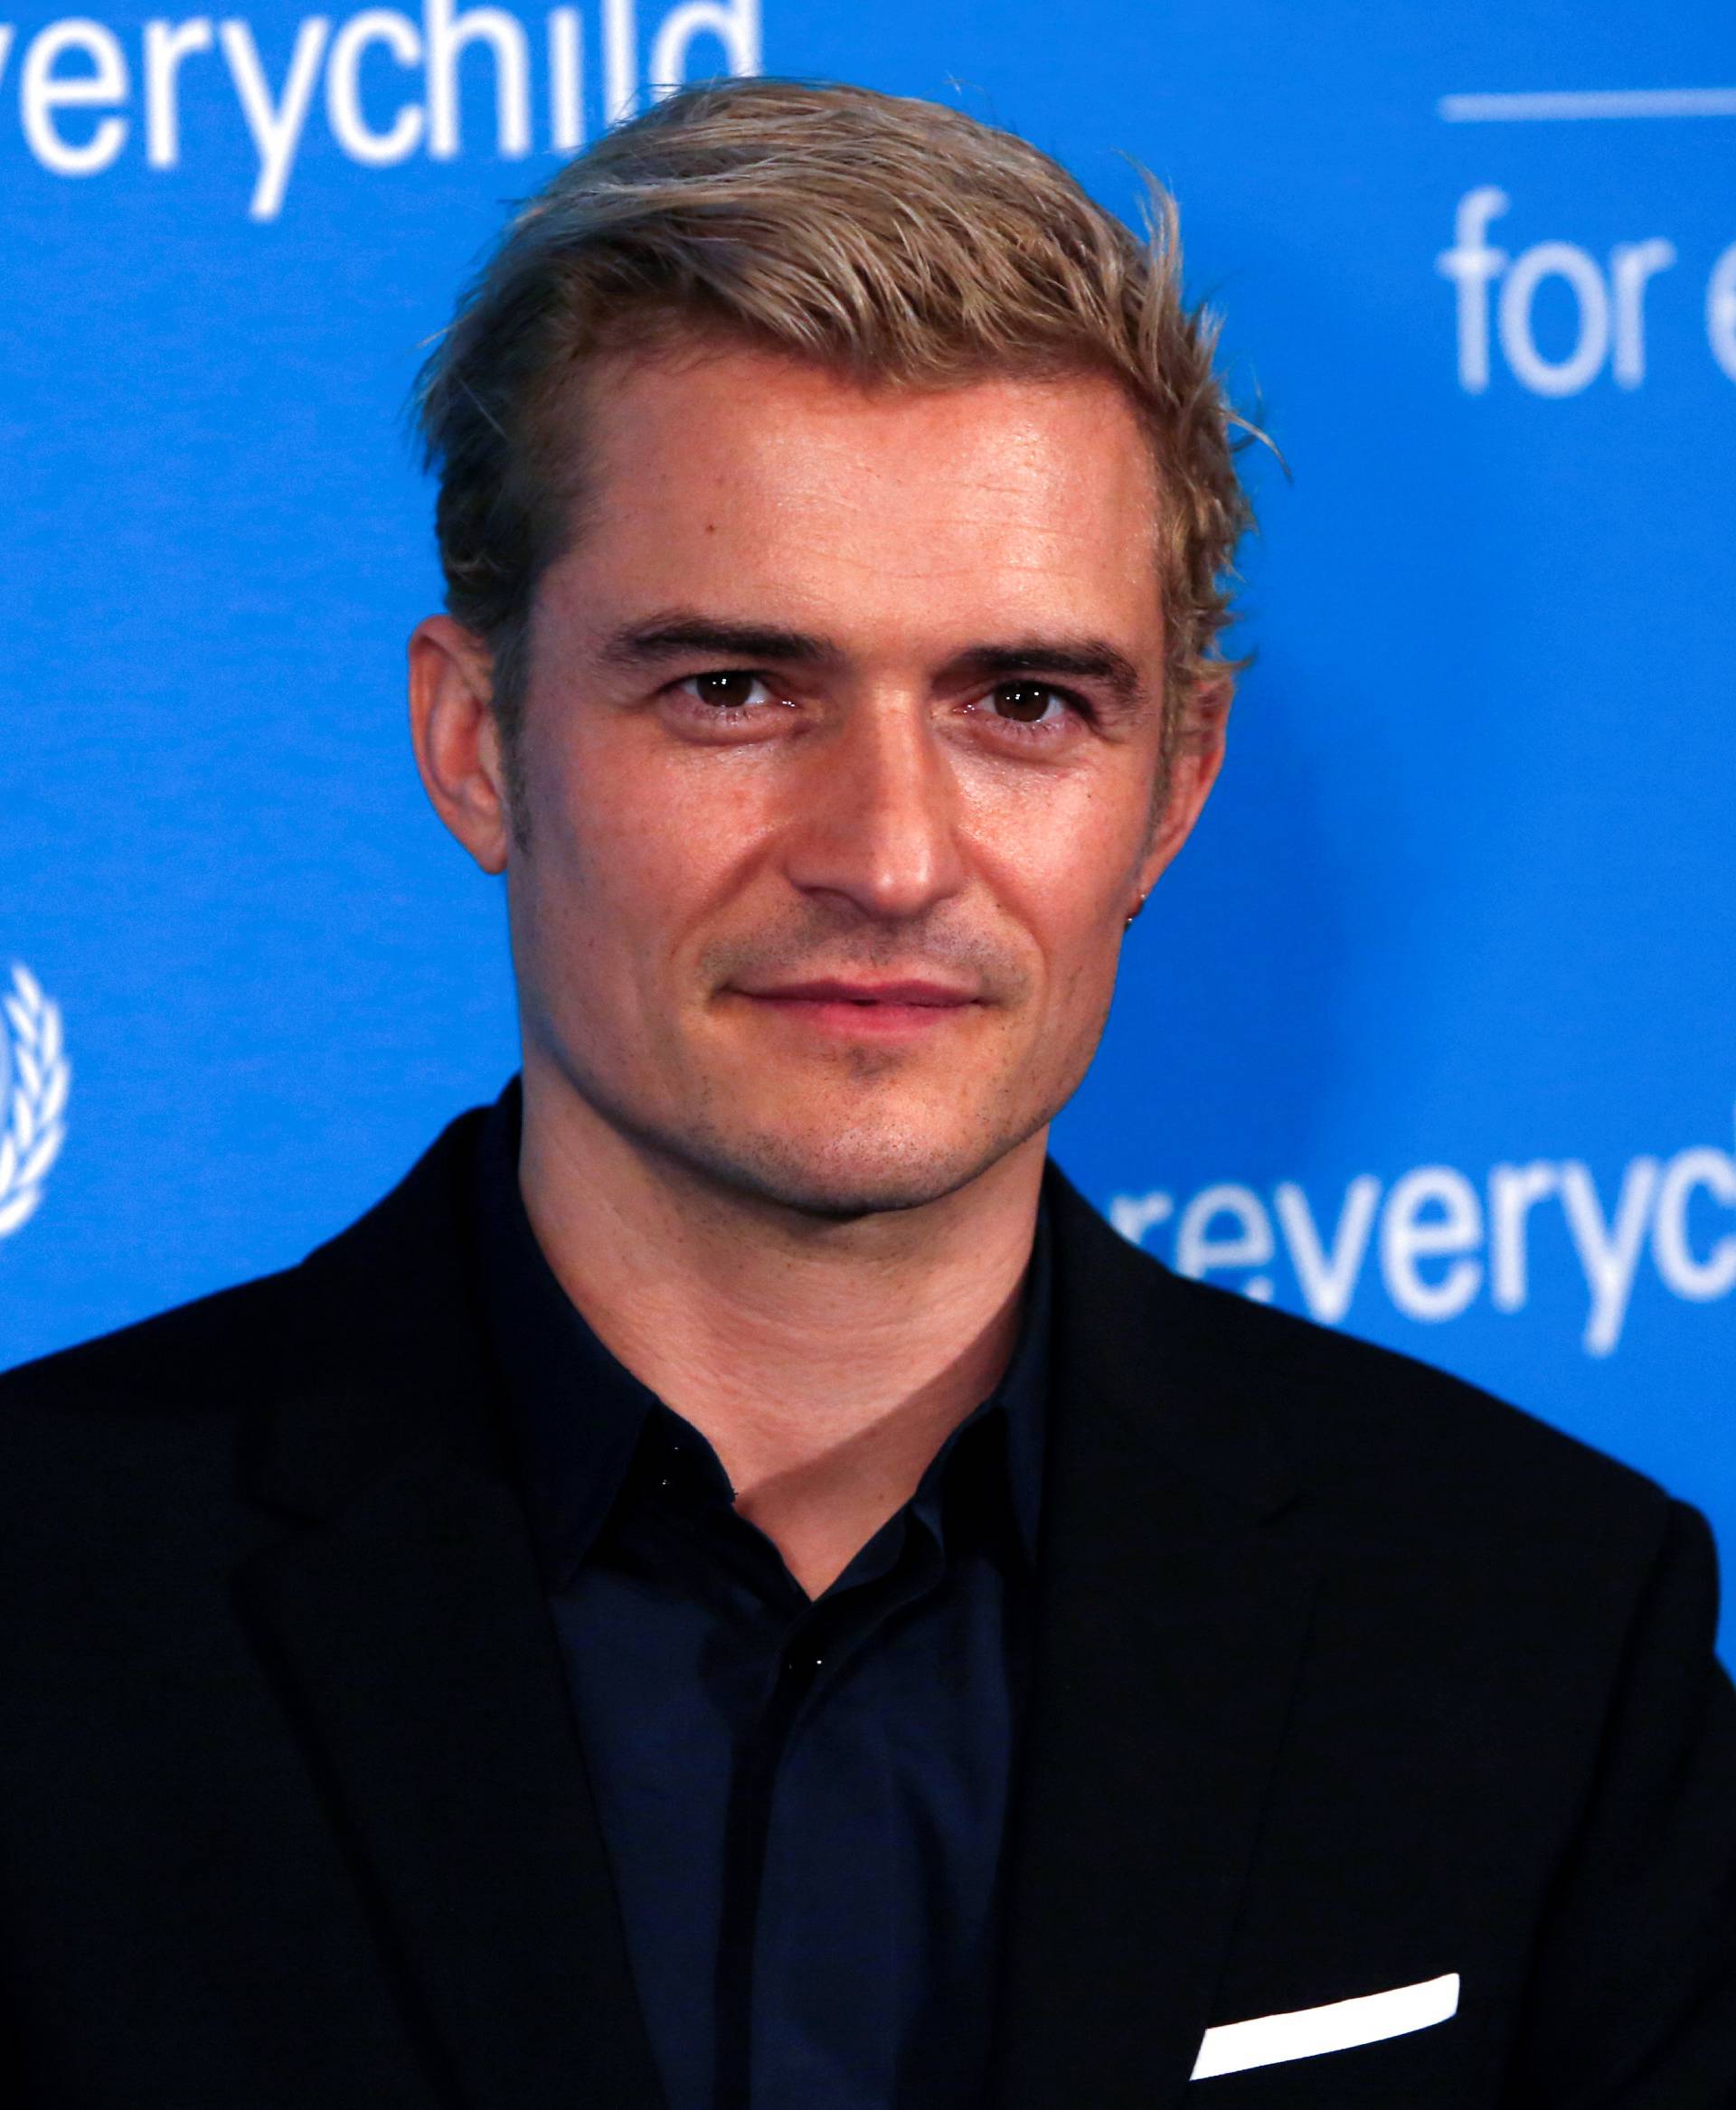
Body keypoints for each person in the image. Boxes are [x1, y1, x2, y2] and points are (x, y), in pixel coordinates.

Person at [1, 75, 1731, 2110]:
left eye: (1024, 704)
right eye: (732, 688)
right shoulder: (45, 1612)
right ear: (477, 745)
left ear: (1174, 784)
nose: (891, 853)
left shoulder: (1535, 1627)